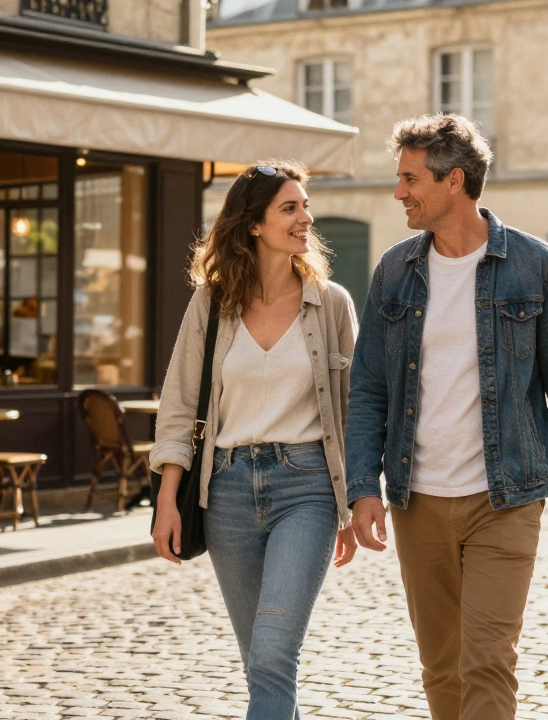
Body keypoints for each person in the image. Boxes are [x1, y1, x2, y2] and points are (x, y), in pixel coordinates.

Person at [345, 114, 548, 720]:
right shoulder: (394, 272)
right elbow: (369, 391)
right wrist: (362, 487)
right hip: (418, 499)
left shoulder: (535, 266)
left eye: (410, 179)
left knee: (486, 658)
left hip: (504, 497)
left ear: (453, 181)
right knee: (441, 664)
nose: (399, 192)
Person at [149, 160, 359, 720]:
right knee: (261, 664)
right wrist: (168, 499)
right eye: (290, 207)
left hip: (307, 487)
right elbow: (178, 405)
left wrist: (356, 500)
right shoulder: (212, 304)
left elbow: (355, 411)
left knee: (272, 653)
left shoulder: (331, 304)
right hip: (228, 493)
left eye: (305, 206)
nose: (305, 218)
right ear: (254, 225)